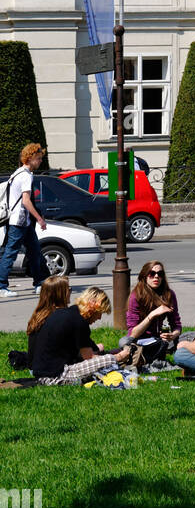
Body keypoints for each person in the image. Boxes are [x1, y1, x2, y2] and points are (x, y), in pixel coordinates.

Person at [28, 281, 132, 385]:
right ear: (92, 306)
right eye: (99, 312)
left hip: (41, 372)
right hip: (56, 376)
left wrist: (108, 352)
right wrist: (118, 356)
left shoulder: (69, 313)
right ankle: (119, 358)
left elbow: (85, 351)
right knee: (107, 360)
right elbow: (90, 358)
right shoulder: (79, 321)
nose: (99, 317)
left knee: (102, 354)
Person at [0, 143, 49, 298]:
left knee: (34, 251)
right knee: (11, 253)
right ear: (30, 158)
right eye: (38, 158)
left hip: (21, 222)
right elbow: (26, 201)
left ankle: (39, 282)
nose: (40, 161)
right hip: (19, 221)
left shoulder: (17, 173)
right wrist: (40, 219)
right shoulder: (26, 176)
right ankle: (1, 286)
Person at [122, 262, 182, 364]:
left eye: (160, 273)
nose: (156, 276)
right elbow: (133, 333)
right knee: (124, 342)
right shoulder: (136, 296)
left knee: (191, 337)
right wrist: (152, 315)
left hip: (160, 339)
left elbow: (176, 324)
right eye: (152, 273)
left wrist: (173, 335)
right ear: (145, 276)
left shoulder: (169, 294)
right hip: (140, 340)